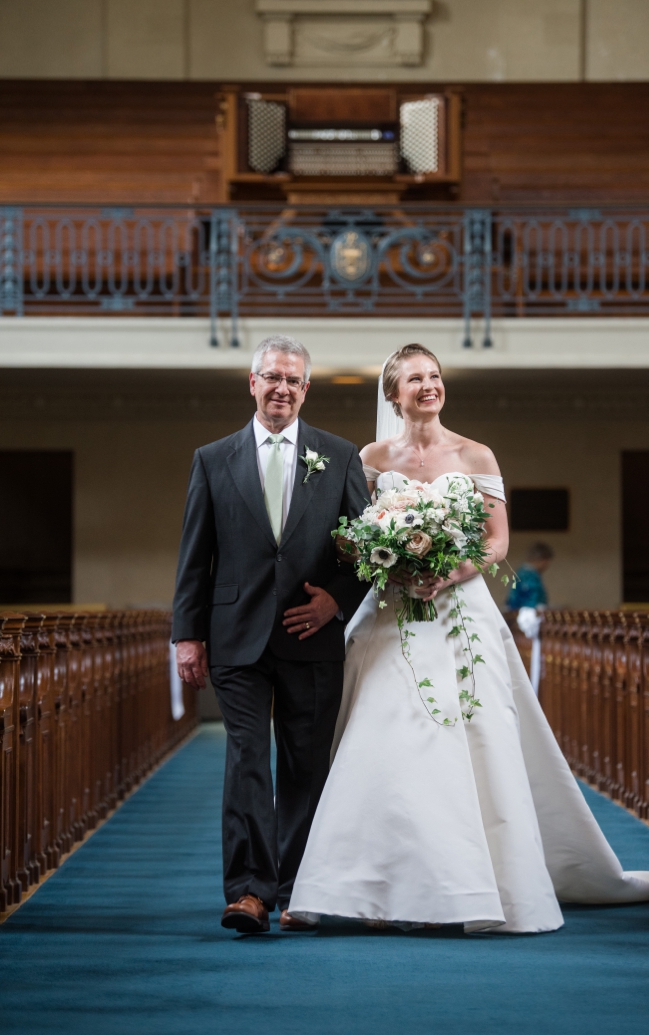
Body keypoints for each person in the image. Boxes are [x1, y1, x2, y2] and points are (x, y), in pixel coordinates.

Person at [287, 344, 649, 934]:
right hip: (395, 610)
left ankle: (478, 882)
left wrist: (447, 572)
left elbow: (497, 541)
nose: (428, 387)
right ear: (393, 395)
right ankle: (365, 886)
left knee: (473, 738)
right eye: (414, 380)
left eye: (434, 377)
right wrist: (395, 564)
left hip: (460, 611)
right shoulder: (371, 457)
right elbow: (350, 538)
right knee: (383, 737)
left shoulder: (475, 453)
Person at [172, 335, 372, 934]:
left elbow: (368, 552)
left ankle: (297, 886)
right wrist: (187, 634)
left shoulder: (338, 456)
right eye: (271, 377)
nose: (281, 388)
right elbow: (194, 556)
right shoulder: (213, 458)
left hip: (310, 636)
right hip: (235, 633)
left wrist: (336, 600)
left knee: (306, 764)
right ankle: (249, 892)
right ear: (252, 383)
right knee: (247, 759)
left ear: (305, 389)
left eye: (293, 379)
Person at [507, 542, 553, 611]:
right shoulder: (527, 576)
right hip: (525, 614)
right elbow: (529, 601)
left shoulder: (525, 573)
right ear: (541, 560)